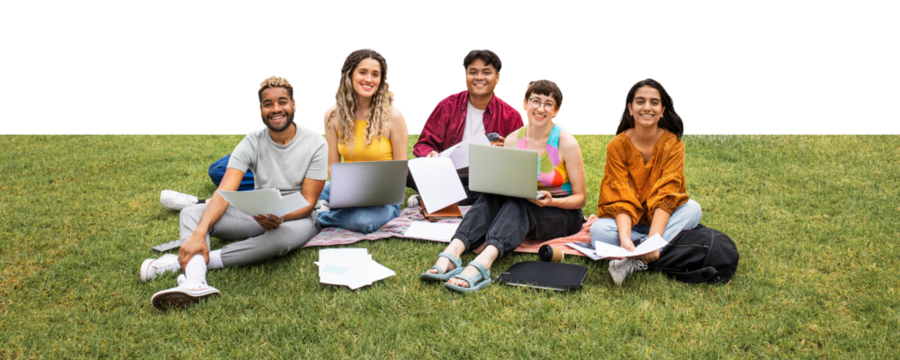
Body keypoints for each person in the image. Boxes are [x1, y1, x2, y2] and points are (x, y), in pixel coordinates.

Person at [140, 74, 328, 311]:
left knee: (279, 241)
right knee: (191, 213)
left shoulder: (315, 142)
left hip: (298, 216)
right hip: (258, 212)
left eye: (283, 101)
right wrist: (200, 232)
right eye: (268, 104)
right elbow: (224, 190)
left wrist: (280, 217)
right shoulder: (252, 140)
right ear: (260, 110)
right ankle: (195, 283)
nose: (276, 108)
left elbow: (309, 200)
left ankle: (191, 265)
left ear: (294, 105)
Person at [420, 79, 586, 292]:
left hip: (563, 213)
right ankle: (453, 252)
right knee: (493, 197)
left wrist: (552, 201)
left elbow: (580, 199)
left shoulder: (566, 142)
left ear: (556, 112)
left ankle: (483, 262)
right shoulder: (512, 140)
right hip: (523, 203)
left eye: (548, 104)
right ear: (524, 104)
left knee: (521, 204)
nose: (540, 108)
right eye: (535, 101)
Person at [590, 78, 702, 286]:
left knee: (693, 209)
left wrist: (653, 239)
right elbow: (620, 194)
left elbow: (667, 194)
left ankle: (636, 257)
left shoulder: (673, 144)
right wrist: (624, 238)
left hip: (661, 221)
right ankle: (647, 252)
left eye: (654, 102)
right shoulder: (617, 145)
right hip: (629, 224)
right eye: (640, 101)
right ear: (631, 109)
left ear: (662, 110)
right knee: (598, 231)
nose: (647, 107)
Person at [408, 49, 524, 206]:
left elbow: (519, 162)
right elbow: (423, 144)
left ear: (498, 77)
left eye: (486, 72)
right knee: (407, 172)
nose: (479, 77)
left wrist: (507, 149)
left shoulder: (512, 115)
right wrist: (430, 154)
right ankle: (458, 199)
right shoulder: (446, 106)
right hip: (447, 174)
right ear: (465, 76)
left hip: (487, 179)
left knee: (499, 189)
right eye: (473, 72)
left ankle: (433, 199)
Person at [317, 47, 410, 234]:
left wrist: (372, 193)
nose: (369, 79)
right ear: (349, 75)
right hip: (346, 190)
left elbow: (400, 171)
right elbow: (331, 167)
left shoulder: (394, 116)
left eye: (375, 74)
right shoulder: (331, 115)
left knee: (364, 222)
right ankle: (337, 207)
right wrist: (349, 192)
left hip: (382, 198)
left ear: (381, 81)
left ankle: (319, 216)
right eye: (363, 72)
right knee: (303, 189)